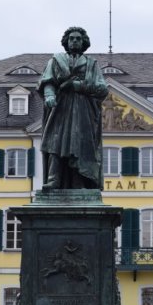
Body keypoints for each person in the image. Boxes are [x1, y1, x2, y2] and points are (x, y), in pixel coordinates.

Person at [37, 26, 108, 190]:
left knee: (80, 146)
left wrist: (77, 85)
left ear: (84, 42)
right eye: (71, 38)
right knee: (55, 142)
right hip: (60, 108)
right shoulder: (55, 60)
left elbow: (102, 89)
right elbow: (48, 81)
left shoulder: (91, 64)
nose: (74, 41)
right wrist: (49, 96)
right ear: (66, 42)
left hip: (83, 111)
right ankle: (53, 179)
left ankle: (80, 182)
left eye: (78, 38)